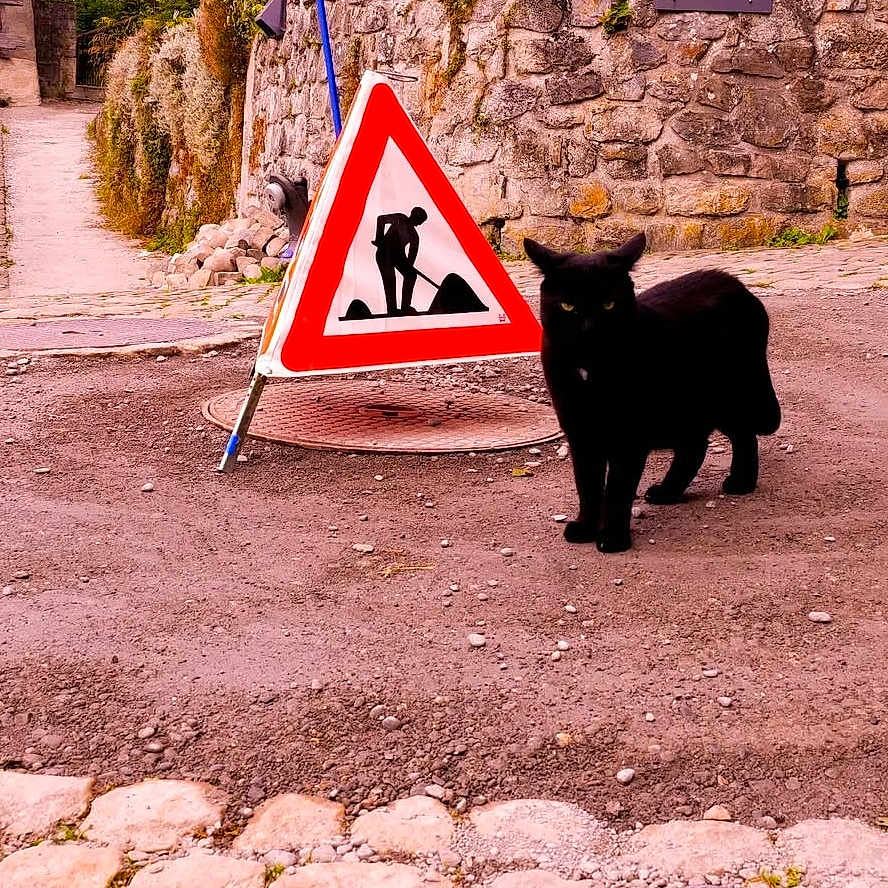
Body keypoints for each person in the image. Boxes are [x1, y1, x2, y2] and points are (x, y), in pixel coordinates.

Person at [372, 207, 428, 315]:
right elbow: (381, 219)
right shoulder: (400, 218)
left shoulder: (414, 236)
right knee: (390, 279)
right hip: (385, 253)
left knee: (411, 275)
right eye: (419, 220)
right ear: (414, 216)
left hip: (398, 257)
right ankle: (392, 309)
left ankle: (405, 307)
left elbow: (411, 258)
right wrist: (379, 239)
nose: (419, 223)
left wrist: (408, 266)